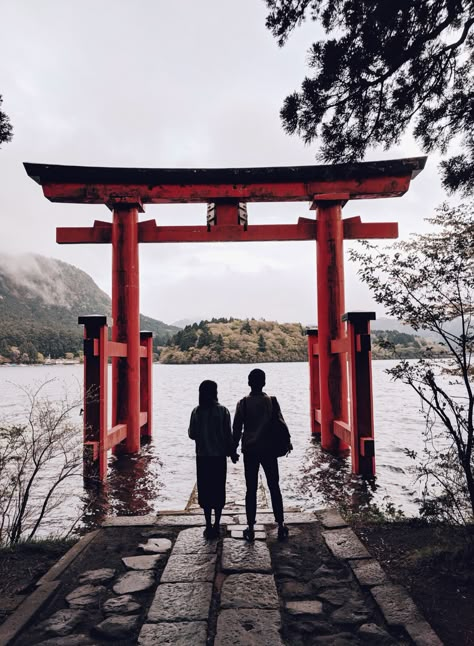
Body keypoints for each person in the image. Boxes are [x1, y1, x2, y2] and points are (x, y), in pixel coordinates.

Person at [233, 368, 292, 541]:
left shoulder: (242, 403)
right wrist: (287, 442)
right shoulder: (272, 401)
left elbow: (236, 429)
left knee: (250, 489)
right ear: (264, 382)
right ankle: (280, 523)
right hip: (269, 450)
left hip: (250, 451)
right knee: (274, 486)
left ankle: (250, 525)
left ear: (249, 382)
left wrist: (233, 449)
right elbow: (281, 423)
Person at [189, 380, 238, 539]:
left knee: (205, 490)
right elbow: (228, 436)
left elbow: (192, 434)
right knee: (218, 489)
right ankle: (217, 524)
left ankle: (208, 524)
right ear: (215, 392)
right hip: (218, 458)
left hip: (203, 457)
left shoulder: (196, 412)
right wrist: (232, 452)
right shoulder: (223, 411)